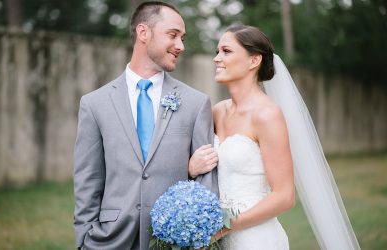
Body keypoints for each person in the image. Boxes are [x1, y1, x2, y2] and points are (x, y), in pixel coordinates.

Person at [189, 25, 360, 249]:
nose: (216, 58)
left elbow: (284, 196)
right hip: (217, 239)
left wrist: (224, 227)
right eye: (217, 51)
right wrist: (192, 168)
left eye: (226, 51)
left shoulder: (267, 115)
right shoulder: (217, 111)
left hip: (254, 238)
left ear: (254, 61)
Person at [73, 2, 218, 250]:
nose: (181, 46)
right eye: (172, 35)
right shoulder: (94, 103)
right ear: (143, 33)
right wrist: (85, 240)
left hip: (171, 242)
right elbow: (88, 180)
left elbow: (206, 187)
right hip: (109, 240)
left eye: (182, 38)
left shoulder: (196, 103)